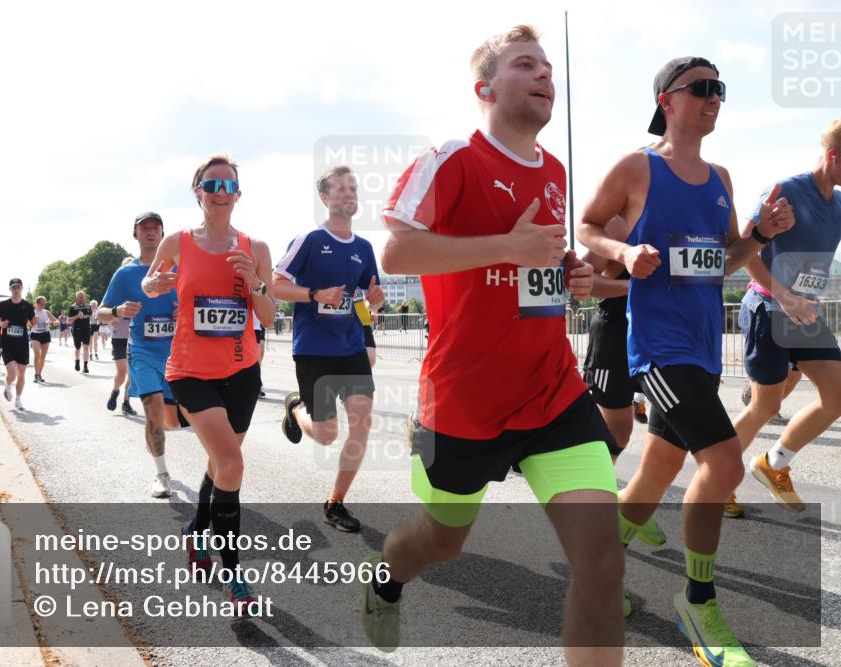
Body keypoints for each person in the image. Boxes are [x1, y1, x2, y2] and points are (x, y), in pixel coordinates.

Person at [364, 27, 619, 665]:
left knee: (603, 562)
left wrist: (571, 276)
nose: (544, 76)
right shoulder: (453, 158)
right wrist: (507, 246)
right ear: (485, 87)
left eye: (549, 69)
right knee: (440, 542)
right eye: (525, 65)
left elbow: (534, 272)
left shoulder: (555, 172)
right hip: (463, 402)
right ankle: (387, 580)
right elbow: (396, 251)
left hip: (552, 392)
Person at [578, 56, 794, 667]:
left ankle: (595, 574)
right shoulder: (637, 166)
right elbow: (589, 226)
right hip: (657, 349)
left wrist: (759, 235)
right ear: (666, 100)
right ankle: (697, 603)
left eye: (720, 89)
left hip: (702, 349)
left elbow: (723, 261)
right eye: (702, 88)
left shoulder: (722, 176)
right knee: (724, 467)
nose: (715, 98)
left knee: (652, 477)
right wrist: (625, 248)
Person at [142, 154, 276, 615]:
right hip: (192, 371)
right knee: (232, 463)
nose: (220, 191)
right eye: (211, 183)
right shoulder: (178, 242)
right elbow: (151, 282)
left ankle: (198, 533)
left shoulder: (255, 246)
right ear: (197, 191)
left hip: (241, 371)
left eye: (229, 184)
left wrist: (255, 281)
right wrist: (156, 286)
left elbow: (270, 316)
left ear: (238, 194)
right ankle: (235, 574)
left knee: (220, 463)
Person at [726, 118, 841, 518]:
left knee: (837, 397)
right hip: (769, 309)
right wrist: (784, 295)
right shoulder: (786, 191)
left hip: (805, 313)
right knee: (765, 408)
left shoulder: (838, 203)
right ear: (833, 156)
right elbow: (744, 250)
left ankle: (772, 465)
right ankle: (717, 482)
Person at [274, 164, 385, 533]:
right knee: (327, 434)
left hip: (350, 345)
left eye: (353, 187)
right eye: (340, 188)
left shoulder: (364, 248)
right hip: (314, 348)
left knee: (362, 424)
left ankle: (335, 502)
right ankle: (295, 407)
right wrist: (314, 294)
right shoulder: (308, 239)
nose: (349, 193)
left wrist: (376, 301)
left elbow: (367, 301)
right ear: (324, 197)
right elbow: (275, 285)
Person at [582, 219, 666, 546]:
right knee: (619, 432)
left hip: (659, 338)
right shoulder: (619, 222)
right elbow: (585, 281)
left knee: (669, 426)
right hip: (614, 335)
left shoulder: (674, 214)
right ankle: (596, 507)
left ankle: (632, 501)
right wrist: (633, 286)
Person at [99, 213, 184, 497]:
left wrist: (184, 310)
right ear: (135, 234)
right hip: (142, 350)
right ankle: (161, 474)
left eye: (155, 227)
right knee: (154, 410)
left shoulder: (180, 269)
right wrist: (116, 312)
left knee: (171, 421)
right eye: (144, 228)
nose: (150, 232)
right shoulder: (126, 274)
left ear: (162, 233)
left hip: (178, 354)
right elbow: (100, 312)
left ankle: (155, 442)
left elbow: (200, 303)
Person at [0, 278, 38, 411]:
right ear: (10, 289)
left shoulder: (28, 306)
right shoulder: (3, 305)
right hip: (7, 343)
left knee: (21, 375)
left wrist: (33, 323)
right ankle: (8, 385)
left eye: (18, 287)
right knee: (12, 373)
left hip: (22, 344)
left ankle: (18, 400)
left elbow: (31, 323)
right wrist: (1, 324)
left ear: (22, 288)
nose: (16, 289)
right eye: (13, 287)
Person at [103, 257, 137, 416]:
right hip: (119, 337)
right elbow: (103, 314)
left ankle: (126, 402)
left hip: (134, 337)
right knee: (122, 373)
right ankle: (115, 390)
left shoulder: (137, 290)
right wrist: (113, 316)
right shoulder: (116, 291)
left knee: (132, 373)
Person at [30, 296, 58, 383]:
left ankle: (39, 374)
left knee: (42, 357)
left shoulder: (46, 312)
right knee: (37, 354)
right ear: (37, 303)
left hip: (45, 335)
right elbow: (28, 325)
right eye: (42, 303)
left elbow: (57, 321)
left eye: (44, 303)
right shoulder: (32, 312)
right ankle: (35, 373)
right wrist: (34, 322)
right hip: (35, 335)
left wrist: (51, 322)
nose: (43, 305)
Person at [69, 291, 92, 373]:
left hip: (86, 329)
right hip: (77, 330)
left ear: (84, 297)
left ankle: (85, 366)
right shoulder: (73, 307)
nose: (81, 299)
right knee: (78, 348)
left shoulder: (88, 306)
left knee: (86, 348)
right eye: (79, 297)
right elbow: (69, 320)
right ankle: (77, 361)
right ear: (76, 298)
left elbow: (90, 316)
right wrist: (77, 316)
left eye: (82, 297)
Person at [253, 312, 267, 397]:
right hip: (246, 321)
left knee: (260, 353)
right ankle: (257, 384)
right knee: (255, 355)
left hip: (258, 324)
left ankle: (257, 382)